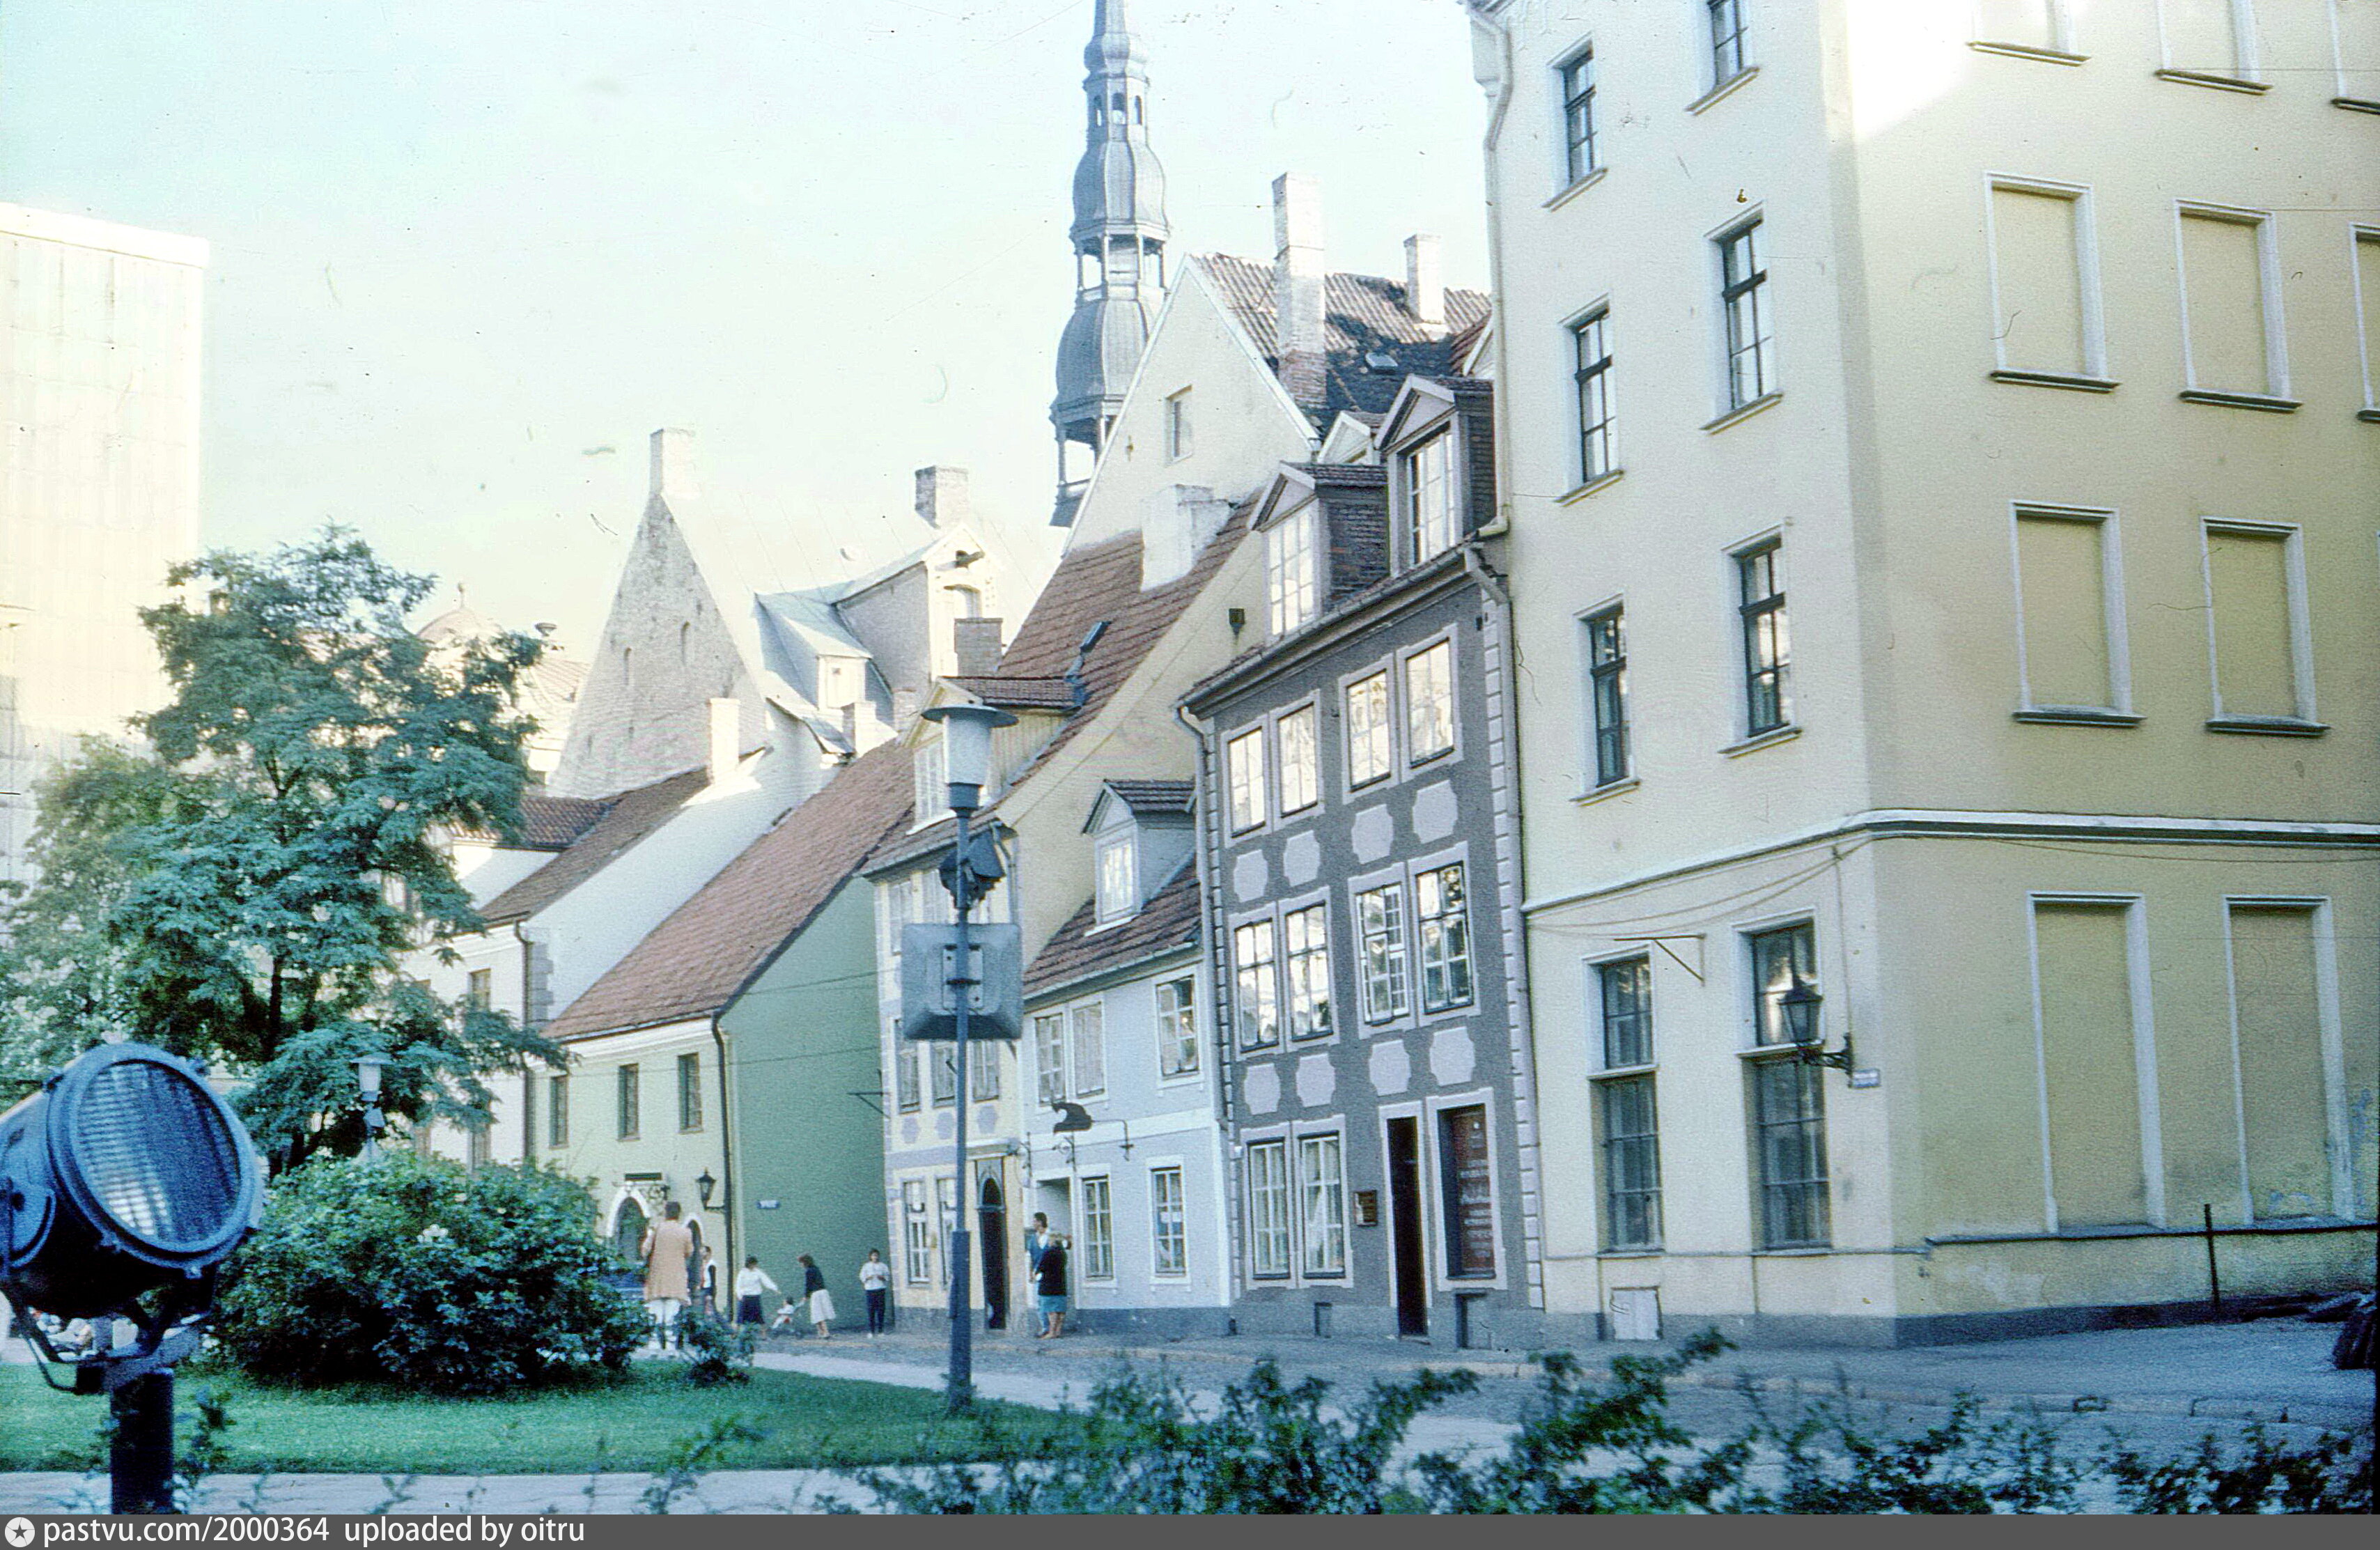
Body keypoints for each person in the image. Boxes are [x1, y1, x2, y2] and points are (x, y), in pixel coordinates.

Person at [639, 1201, 694, 1349]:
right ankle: (670, 1344)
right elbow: (689, 1252)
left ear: (666, 1212)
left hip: (657, 1277)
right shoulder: (685, 1232)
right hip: (676, 1278)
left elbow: (645, 1249)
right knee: (672, 1313)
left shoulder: (658, 1229)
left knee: (656, 1312)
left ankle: (655, 1342)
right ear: (679, 1214)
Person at [1034, 1231, 1068, 1339]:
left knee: (1051, 1310)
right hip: (1061, 1283)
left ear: (1052, 1240)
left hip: (1049, 1284)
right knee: (1060, 1310)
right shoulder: (1063, 1253)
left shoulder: (1049, 1253)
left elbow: (1042, 1267)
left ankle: (1052, 1332)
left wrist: (1036, 1273)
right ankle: (1058, 1331)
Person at [733, 1256, 779, 1328]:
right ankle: (736, 1332)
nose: (754, 1265)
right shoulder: (742, 1273)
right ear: (749, 1264)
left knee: (759, 1317)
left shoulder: (758, 1272)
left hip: (755, 1297)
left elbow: (766, 1281)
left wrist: (774, 1288)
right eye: (753, 1264)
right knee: (741, 1317)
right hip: (745, 1297)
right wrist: (739, 1296)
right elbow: (738, 1285)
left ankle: (763, 1333)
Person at [798, 1253, 836, 1340]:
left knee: (818, 1313)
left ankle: (825, 1332)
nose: (801, 1265)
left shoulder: (809, 1271)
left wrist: (806, 1296)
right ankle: (820, 1332)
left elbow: (808, 1284)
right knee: (818, 1313)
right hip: (823, 1292)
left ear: (805, 1262)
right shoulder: (816, 1269)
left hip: (816, 1294)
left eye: (801, 1263)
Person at [859, 1248, 892, 1338]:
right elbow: (862, 1277)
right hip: (870, 1289)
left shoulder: (883, 1266)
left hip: (880, 1289)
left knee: (881, 1310)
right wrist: (867, 1278)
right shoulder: (866, 1266)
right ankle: (871, 1331)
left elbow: (887, 1276)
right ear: (870, 1257)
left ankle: (881, 1330)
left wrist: (882, 1278)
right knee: (871, 1310)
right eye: (873, 1256)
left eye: (876, 1255)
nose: (875, 1257)